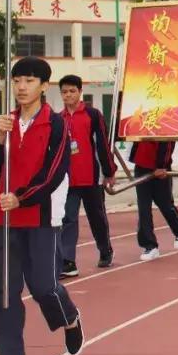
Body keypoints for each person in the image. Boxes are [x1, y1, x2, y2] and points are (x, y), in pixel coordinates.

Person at [0, 57, 84, 355]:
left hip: (39, 216)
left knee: (43, 286)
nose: (21, 87)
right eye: (16, 81)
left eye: (29, 81)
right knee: (6, 293)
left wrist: (21, 198)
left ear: (44, 86)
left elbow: (53, 173)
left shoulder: (56, 125)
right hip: (4, 219)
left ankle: (69, 317)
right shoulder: (6, 121)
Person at [56, 75, 115, 277]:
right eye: (64, 92)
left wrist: (109, 172)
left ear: (80, 92)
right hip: (68, 180)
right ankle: (68, 261)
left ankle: (105, 250)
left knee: (96, 217)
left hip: (92, 178)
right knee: (68, 219)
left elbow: (103, 144)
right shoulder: (58, 119)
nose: (68, 95)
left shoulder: (93, 115)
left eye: (72, 91)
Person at [129, 139, 178, 261]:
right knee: (143, 207)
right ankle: (150, 245)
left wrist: (162, 165)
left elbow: (168, 139)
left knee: (165, 204)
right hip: (141, 165)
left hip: (160, 166)